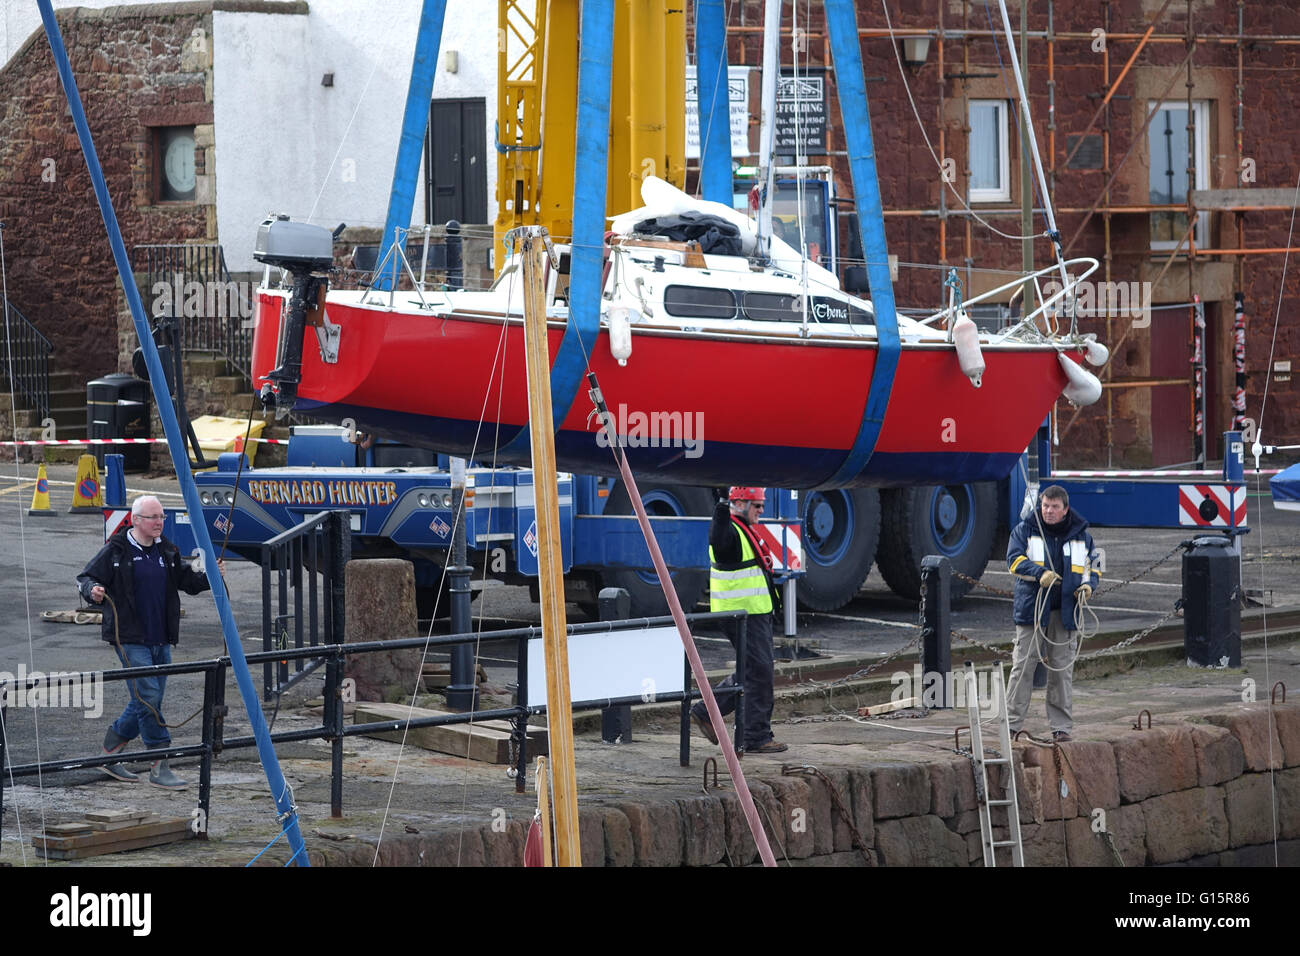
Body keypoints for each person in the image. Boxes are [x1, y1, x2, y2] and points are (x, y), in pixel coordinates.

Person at [77, 494, 223, 788]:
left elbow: (188, 582)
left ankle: (110, 750)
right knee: (148, 697)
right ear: (137, 520)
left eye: (162, 517)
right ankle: (159, 763)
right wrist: (93, 590)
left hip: (161, 638)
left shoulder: (166, 552)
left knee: (147, 699)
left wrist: (210, 575)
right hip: (129, 638)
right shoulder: (116, 551)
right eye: (154, 518)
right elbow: (85, 578)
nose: (159, 523)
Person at [690, 486, 787, 754]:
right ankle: (755, 736)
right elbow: (718, 538)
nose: (761, 510)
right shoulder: (728, 530)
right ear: (740, 503)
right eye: (757, 505)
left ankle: (707, 711)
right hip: (740, 614)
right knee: (760, 671)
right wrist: (722, 504)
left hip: (751, 612)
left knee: (754, 670)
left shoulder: (742, 528)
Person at [1005, 484, 1099, 743]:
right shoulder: (1025, 529)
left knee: (1061, 671)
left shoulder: (1082, 535)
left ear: (1065, 509)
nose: (1048, 511)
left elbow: (1094, 565)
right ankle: (1011, 725)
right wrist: (1039, 574)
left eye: (1054, 507)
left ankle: (1061, 727)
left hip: (1066, 611)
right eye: (1045, 506)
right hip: (1032, 610)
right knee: (1022, 667)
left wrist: (1089, 586)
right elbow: (1013, 559)